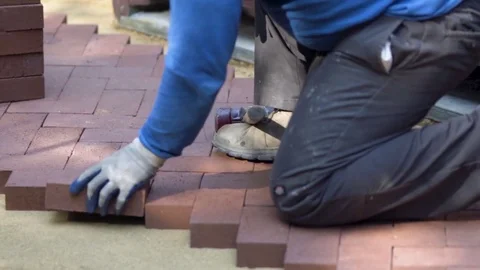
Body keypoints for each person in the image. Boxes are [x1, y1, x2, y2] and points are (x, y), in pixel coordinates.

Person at [69, 0, 480, 227]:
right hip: (401, 18)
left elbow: (196, 64)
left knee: (304, 188)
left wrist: (147, 150)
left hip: (428, 21)